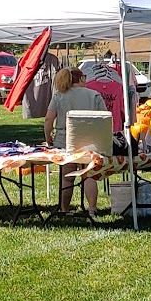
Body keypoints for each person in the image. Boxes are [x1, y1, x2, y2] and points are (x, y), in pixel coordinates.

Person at [45, 67, 108, 211]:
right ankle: (92, 208)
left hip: (65, 142)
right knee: (88, 175)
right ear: (80, 78)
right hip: (90, 142)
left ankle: (64, 209)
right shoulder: (95, 95)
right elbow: (106, 119)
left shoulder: (59, 95)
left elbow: (49, 119)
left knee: (67, 177)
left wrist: (48, 137)